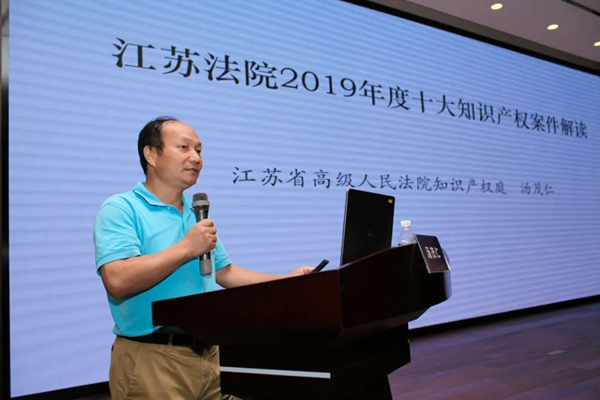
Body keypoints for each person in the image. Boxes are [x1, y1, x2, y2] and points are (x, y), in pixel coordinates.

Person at [94, 116, 312, 400]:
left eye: (199, 150)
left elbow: (226, 273)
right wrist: (186, 248)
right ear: (151, 154)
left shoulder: (195, 212)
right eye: (184, 147)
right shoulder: (122, 209)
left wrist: (287, 282)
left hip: (209, 356)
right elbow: (117, 279)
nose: (195, 158)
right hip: (153, 359)